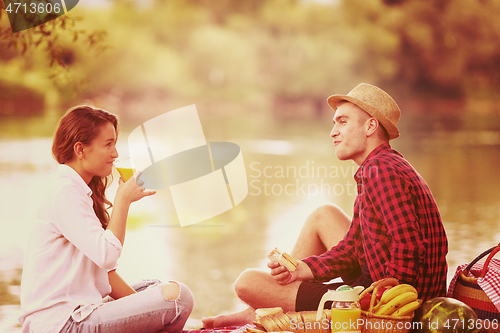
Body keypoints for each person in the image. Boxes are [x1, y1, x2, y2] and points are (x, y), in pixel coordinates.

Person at [202, 83, 448, 328]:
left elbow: (410, 244)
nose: (333, 132)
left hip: (393, 306)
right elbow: (353, 247)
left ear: (370, 126)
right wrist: (301, 269)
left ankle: (265, 307)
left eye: (342, 122)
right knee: (324, 215)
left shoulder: (380, 171)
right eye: (334, 123)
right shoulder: (383, 164)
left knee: (247, 283)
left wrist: (385, 305)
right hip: (380, 278)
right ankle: (268, 304)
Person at [19, 105, 194, 333]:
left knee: (155, 288)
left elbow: (106, 276)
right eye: (108, 144)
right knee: (179, 298)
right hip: (62, 323)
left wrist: (150, 312)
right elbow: (107, 256)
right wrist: (122, 201)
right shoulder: (65, 191)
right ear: (80, 149)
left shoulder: (76, 189)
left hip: (79, 313)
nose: (116, 154)